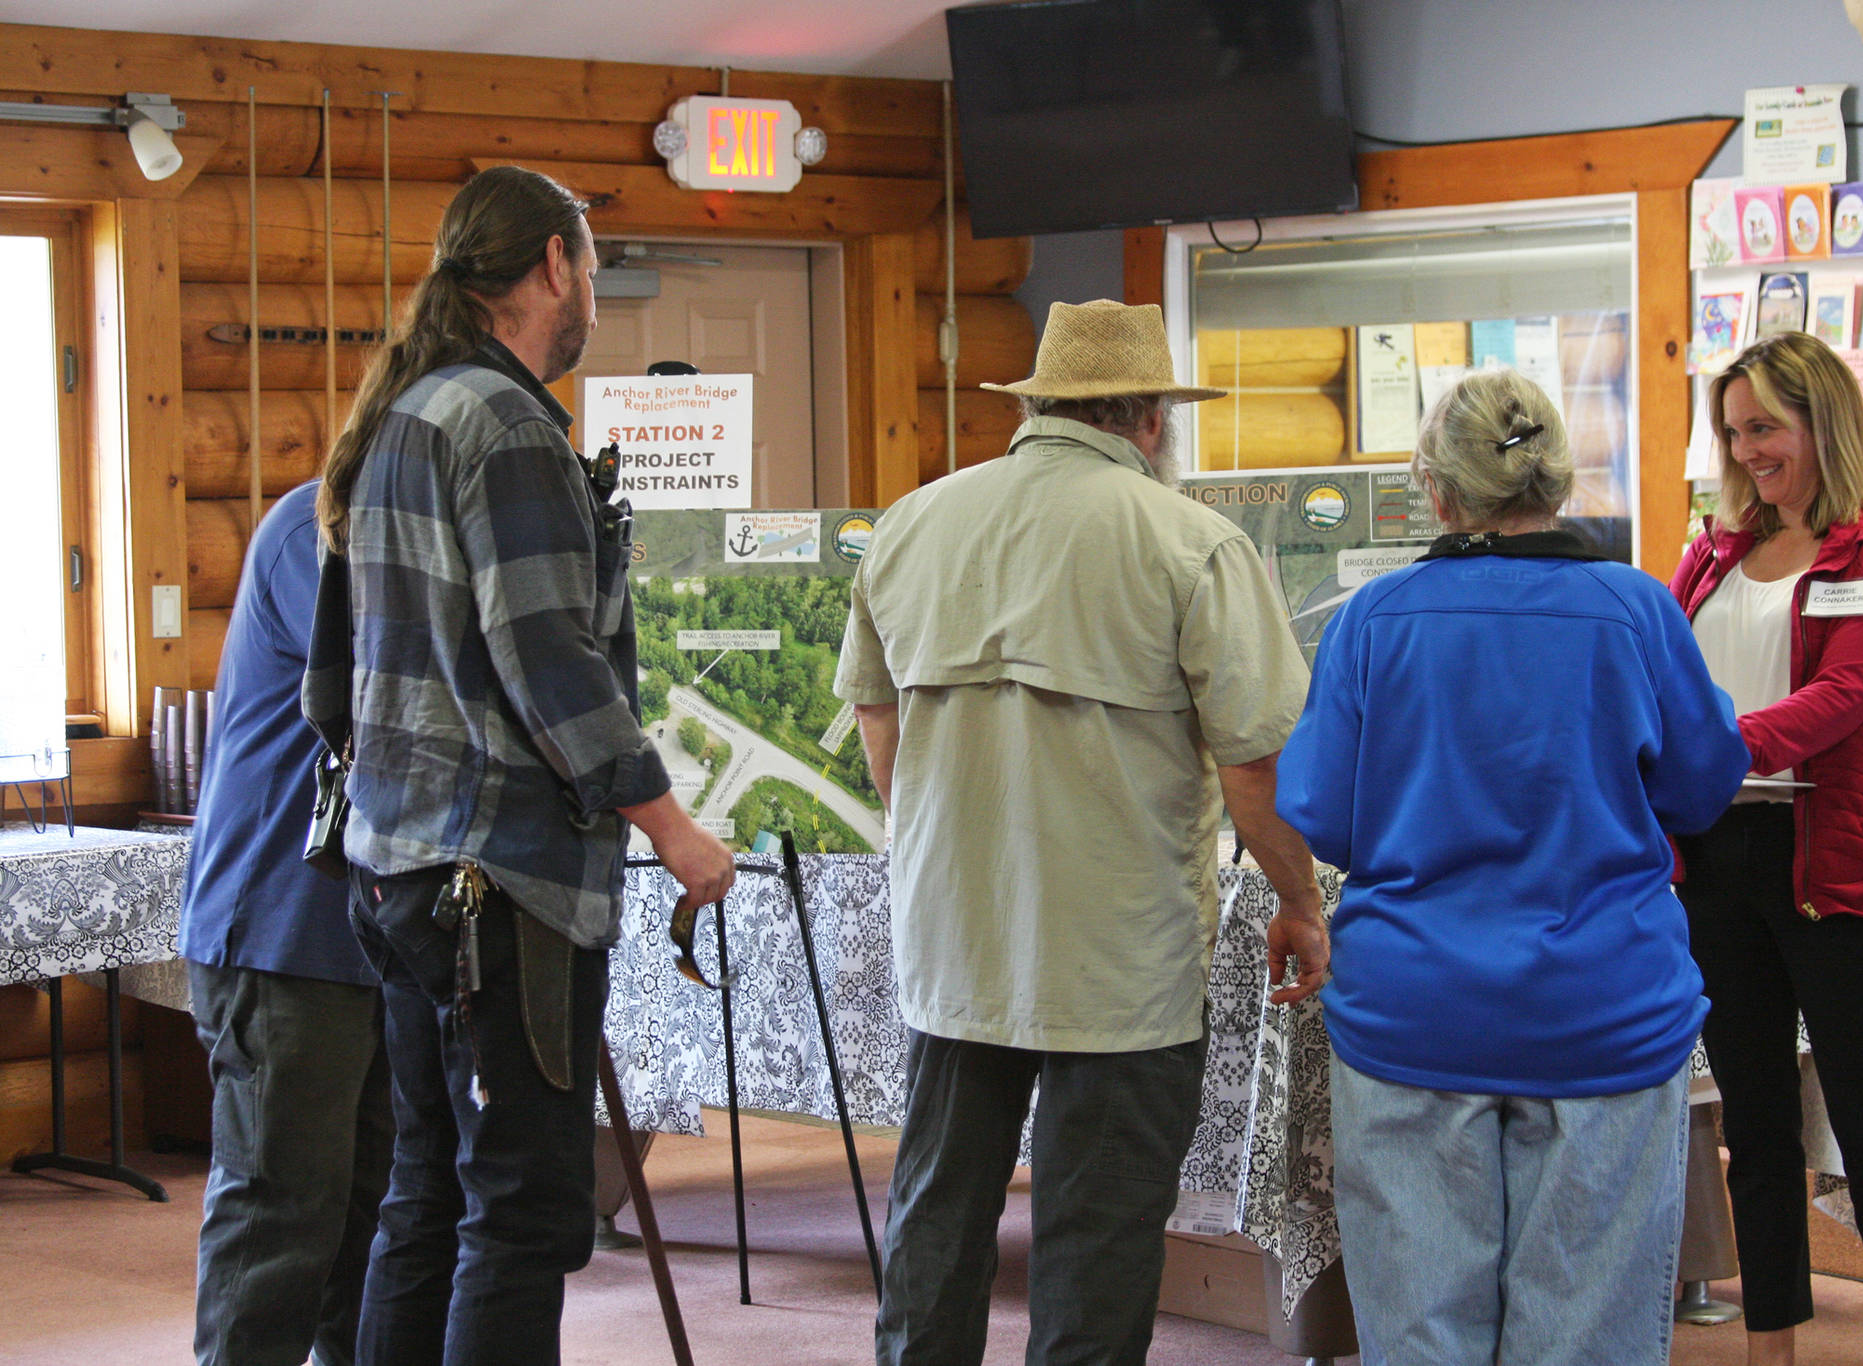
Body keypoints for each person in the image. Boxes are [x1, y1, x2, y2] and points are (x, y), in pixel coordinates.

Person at [835, 298, 1329, 1366]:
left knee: (935, 1217)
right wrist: (1296, 898)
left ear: (1039, 404)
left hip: (955, 939)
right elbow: (1255, 767)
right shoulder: (1192, 543)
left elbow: (881, 736)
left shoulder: (911, 525)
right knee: (1095, 1243)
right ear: (1148, 418)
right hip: (1122, 959)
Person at [302, 164, 735, 1366]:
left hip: (396, 875)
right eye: (592, 263)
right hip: (502, 888)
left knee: (428, 1196)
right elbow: (551, 661)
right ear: (553, 263)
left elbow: (325, 690)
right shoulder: (504, 425)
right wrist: (671, 825)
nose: (593, 287)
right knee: (523, 1211)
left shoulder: (394, 421)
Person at [1275, 369, 1750, 1366]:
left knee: (1418, 1336)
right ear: (1557, 480)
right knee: (1588, 1335)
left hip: (1413, 1013)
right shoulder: (1634, 610)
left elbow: (1321, 816)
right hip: (1600, 1014)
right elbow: (1704, 783)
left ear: (1434, 491)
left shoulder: (1372, 620)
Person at [1670, 331, 1863, 1366]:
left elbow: (1841, 698)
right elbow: (1661, 674)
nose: (1746, 452)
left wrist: (1716, 746)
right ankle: (1767, 1348)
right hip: (1715, 857)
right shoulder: (1708, 553)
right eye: (1734, 432)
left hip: (1833, 861)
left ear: (1819, 423)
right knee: (1753, 1123)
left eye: (1763, 430)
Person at [182, 477, 392, 1366]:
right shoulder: (325, 528)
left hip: (383, 939)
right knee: (281, 1218)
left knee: (379, 1217)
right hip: (283, 930)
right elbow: (391, 684)